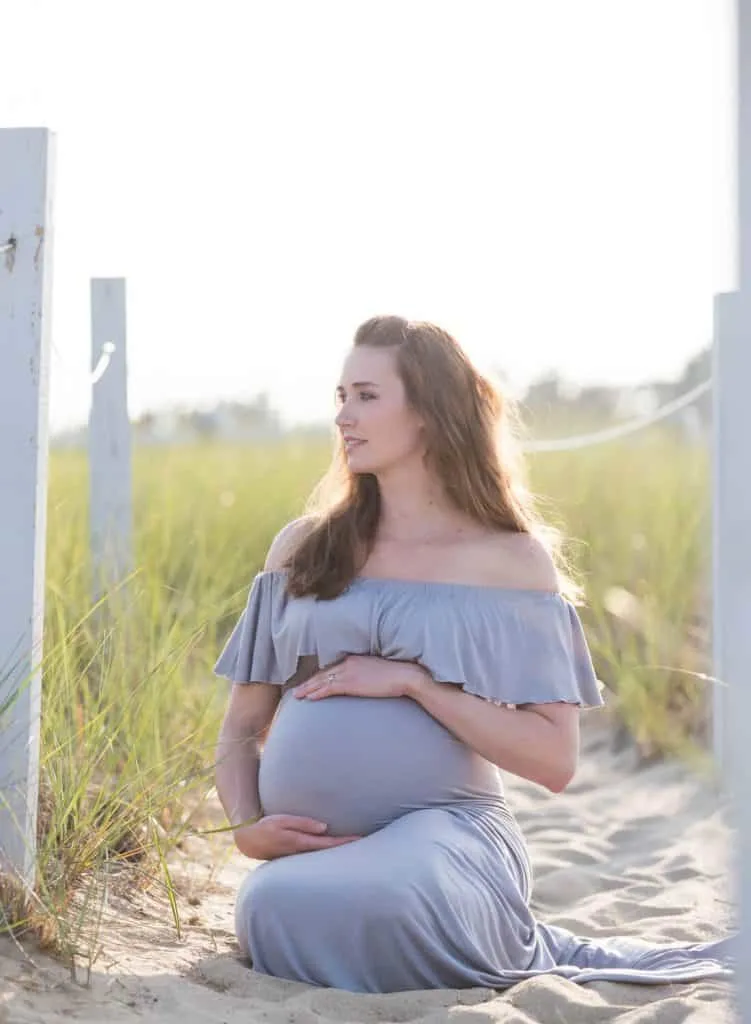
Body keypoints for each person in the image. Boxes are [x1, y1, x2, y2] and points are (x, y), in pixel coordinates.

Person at [213, 314, 733, 993]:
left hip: (445, 837)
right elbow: (239, 727)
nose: (344, 415)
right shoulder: (305, 546)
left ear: (430, 411)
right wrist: (248, 829)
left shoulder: (509, 563)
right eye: (340, 396)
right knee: (269, 903)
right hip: (312, 858)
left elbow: (552, 760)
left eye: (367, 396)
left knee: (396, 891)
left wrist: (414, 685)